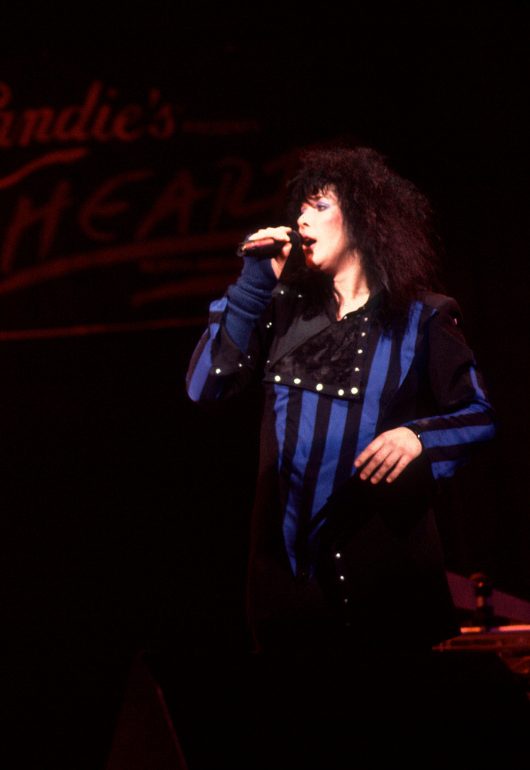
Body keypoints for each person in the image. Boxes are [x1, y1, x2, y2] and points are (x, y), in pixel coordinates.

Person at [186, 147, 495, 652]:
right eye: (299, 208)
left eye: (320, 205)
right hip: (290, 598)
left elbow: (480, 415)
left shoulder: (423, 318)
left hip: (388, 586)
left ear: (363, 218)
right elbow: (205, 385)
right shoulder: (281, 312)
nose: (302, 218)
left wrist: (416, 437)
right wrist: (253, 281)